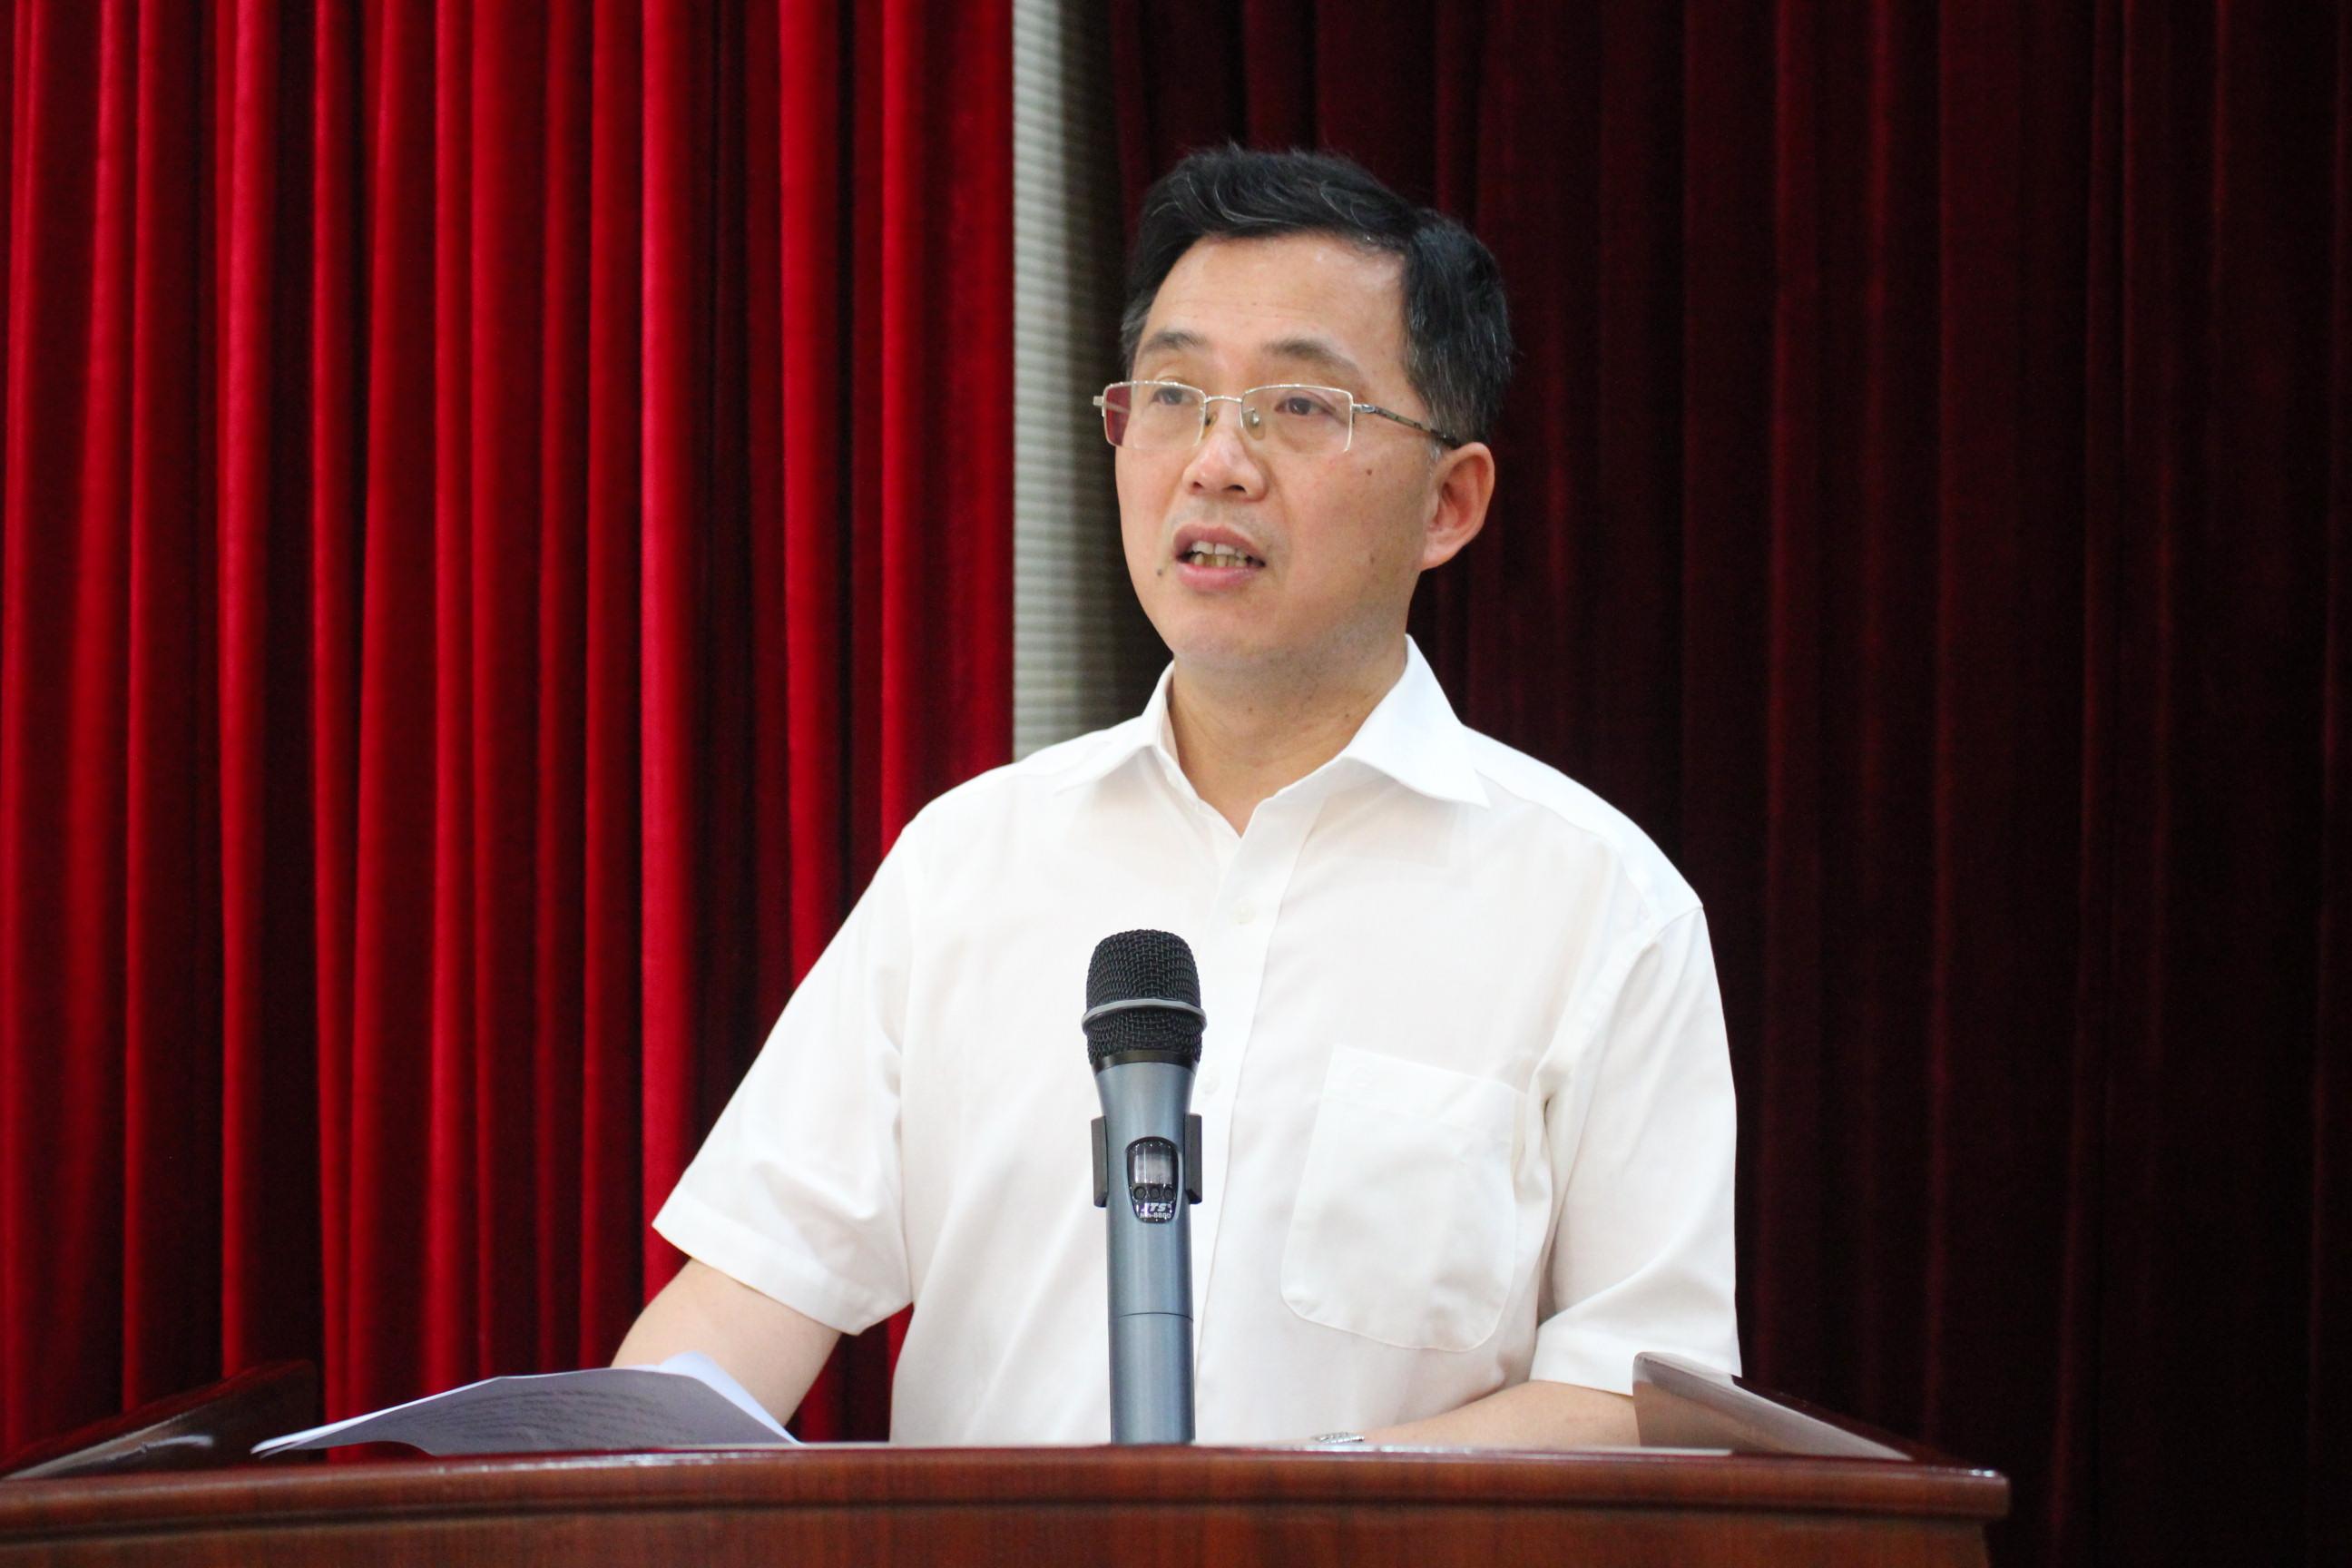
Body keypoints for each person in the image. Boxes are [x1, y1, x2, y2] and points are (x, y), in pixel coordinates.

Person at [613, 146, 1740, 1446]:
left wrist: (1273, 1523)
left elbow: (1635, 1398)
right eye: (1173, 396)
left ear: (1449, 501)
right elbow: (748, 1294)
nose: (1217, 461)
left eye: (1299, 406)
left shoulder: (1601, 906)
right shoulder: (967, 862)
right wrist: (613, 1476)